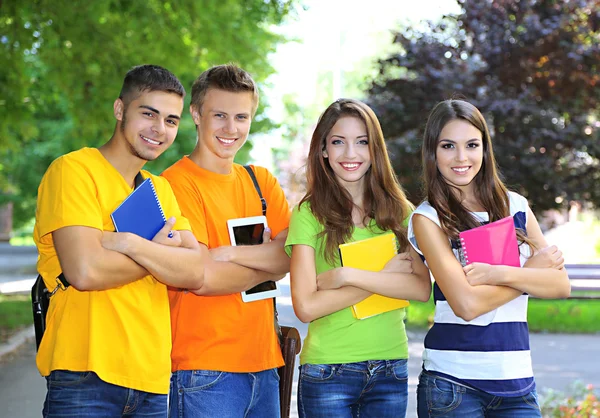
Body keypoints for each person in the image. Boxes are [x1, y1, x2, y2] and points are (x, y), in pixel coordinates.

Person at [33, 64, 206, 417]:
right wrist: (161, 255)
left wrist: (129, 243)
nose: (160, 129)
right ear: (119, 110)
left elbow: (195, 271)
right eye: (148, 114)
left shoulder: (160, 189)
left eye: (171, 121)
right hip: (85, 373)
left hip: (152, 382)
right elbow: (85, 271)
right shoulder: (74, 171)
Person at [408, 99, 571, 417]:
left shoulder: (517, 206)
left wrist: (499, 274)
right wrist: (528, 274)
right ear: (432, 152)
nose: (461, 157)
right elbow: (466, 305)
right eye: (448, 146)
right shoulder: (427, 218)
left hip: (517, 384)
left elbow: (560, 285)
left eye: (471, 144)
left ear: (485, 148)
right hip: (453, 385)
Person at [285, 98, 432, 418]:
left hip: (390, 369)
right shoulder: (308, 214)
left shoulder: (401, 212)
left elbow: (421, 289)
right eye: (338, 142)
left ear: (374, 149)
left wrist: (348, 275)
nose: (350, 154)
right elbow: (306, 306)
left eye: (361, 142)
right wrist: (384, 275)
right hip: (328, 372)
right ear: (323, 149)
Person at [161, 63, 290, 418]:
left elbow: (291, 257)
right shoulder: (174, 185)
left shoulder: (260, 181)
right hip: (202, 370)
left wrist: (229, 254)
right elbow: (202, 277)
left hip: (265, 365)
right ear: (196, 114)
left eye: (241, 117)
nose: (230, 129)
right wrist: (265, 264)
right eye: (219, 115)